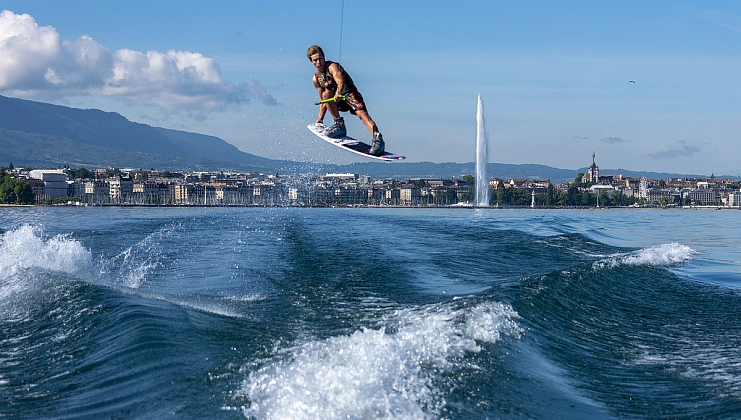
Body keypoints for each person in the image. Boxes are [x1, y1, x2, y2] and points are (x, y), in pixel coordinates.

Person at [307, 45, 385, 156]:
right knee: (326, 95)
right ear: (311, 62)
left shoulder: (332, 67)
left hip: (350, 94)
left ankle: (378, 140)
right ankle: (339, 126)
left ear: (324, 57)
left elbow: (340, 81)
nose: (319, 62)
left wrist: (339, 93)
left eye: (320, 58)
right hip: (337, 101)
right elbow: (323, 101)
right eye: (315, 60)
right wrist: (319, 120)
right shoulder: (316, 79)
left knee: (363, 116)